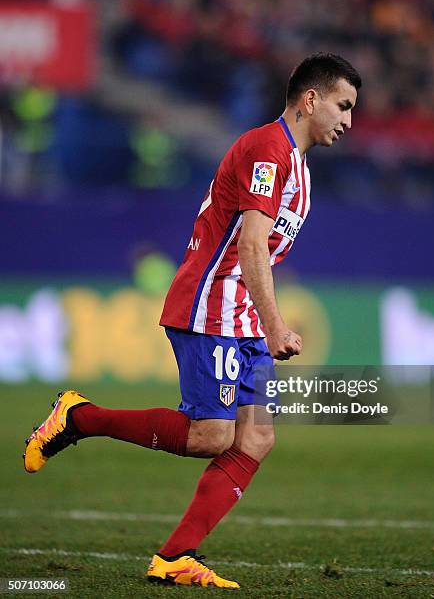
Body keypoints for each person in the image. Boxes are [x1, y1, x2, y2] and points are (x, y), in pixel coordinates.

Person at [23, 53, 360, 589]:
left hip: (242, 314)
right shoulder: (268, 148)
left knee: (256, 439)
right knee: (210, 436)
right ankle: (80, 417)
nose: (348, 120)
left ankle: (177, 555)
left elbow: (265, 251)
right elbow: (249, 244)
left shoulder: (299, 164)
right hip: (212, 305)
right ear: (310, 99)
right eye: (343, 106)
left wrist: (264, 316)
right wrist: (276, 326)